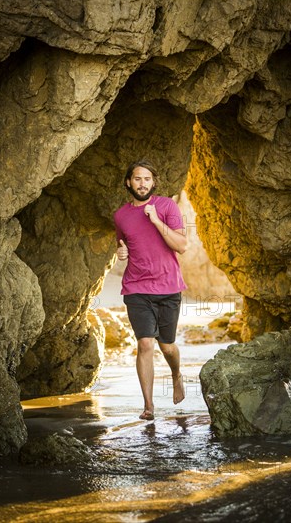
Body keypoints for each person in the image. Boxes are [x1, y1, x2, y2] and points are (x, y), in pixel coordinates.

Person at [113, 160, 187, 421]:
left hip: (168, 287)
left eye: (146, 179)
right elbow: (123, 245)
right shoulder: (120, 216)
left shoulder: (167, 206)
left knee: (167, 347)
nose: (142, 183)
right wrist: (120, 252)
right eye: (137, 179)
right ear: (128, 182)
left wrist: (155, 220)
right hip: (136, 288)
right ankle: (149, 406)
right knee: (145, 343)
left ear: (153, 182)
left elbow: (181, 245)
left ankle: (177, 375)